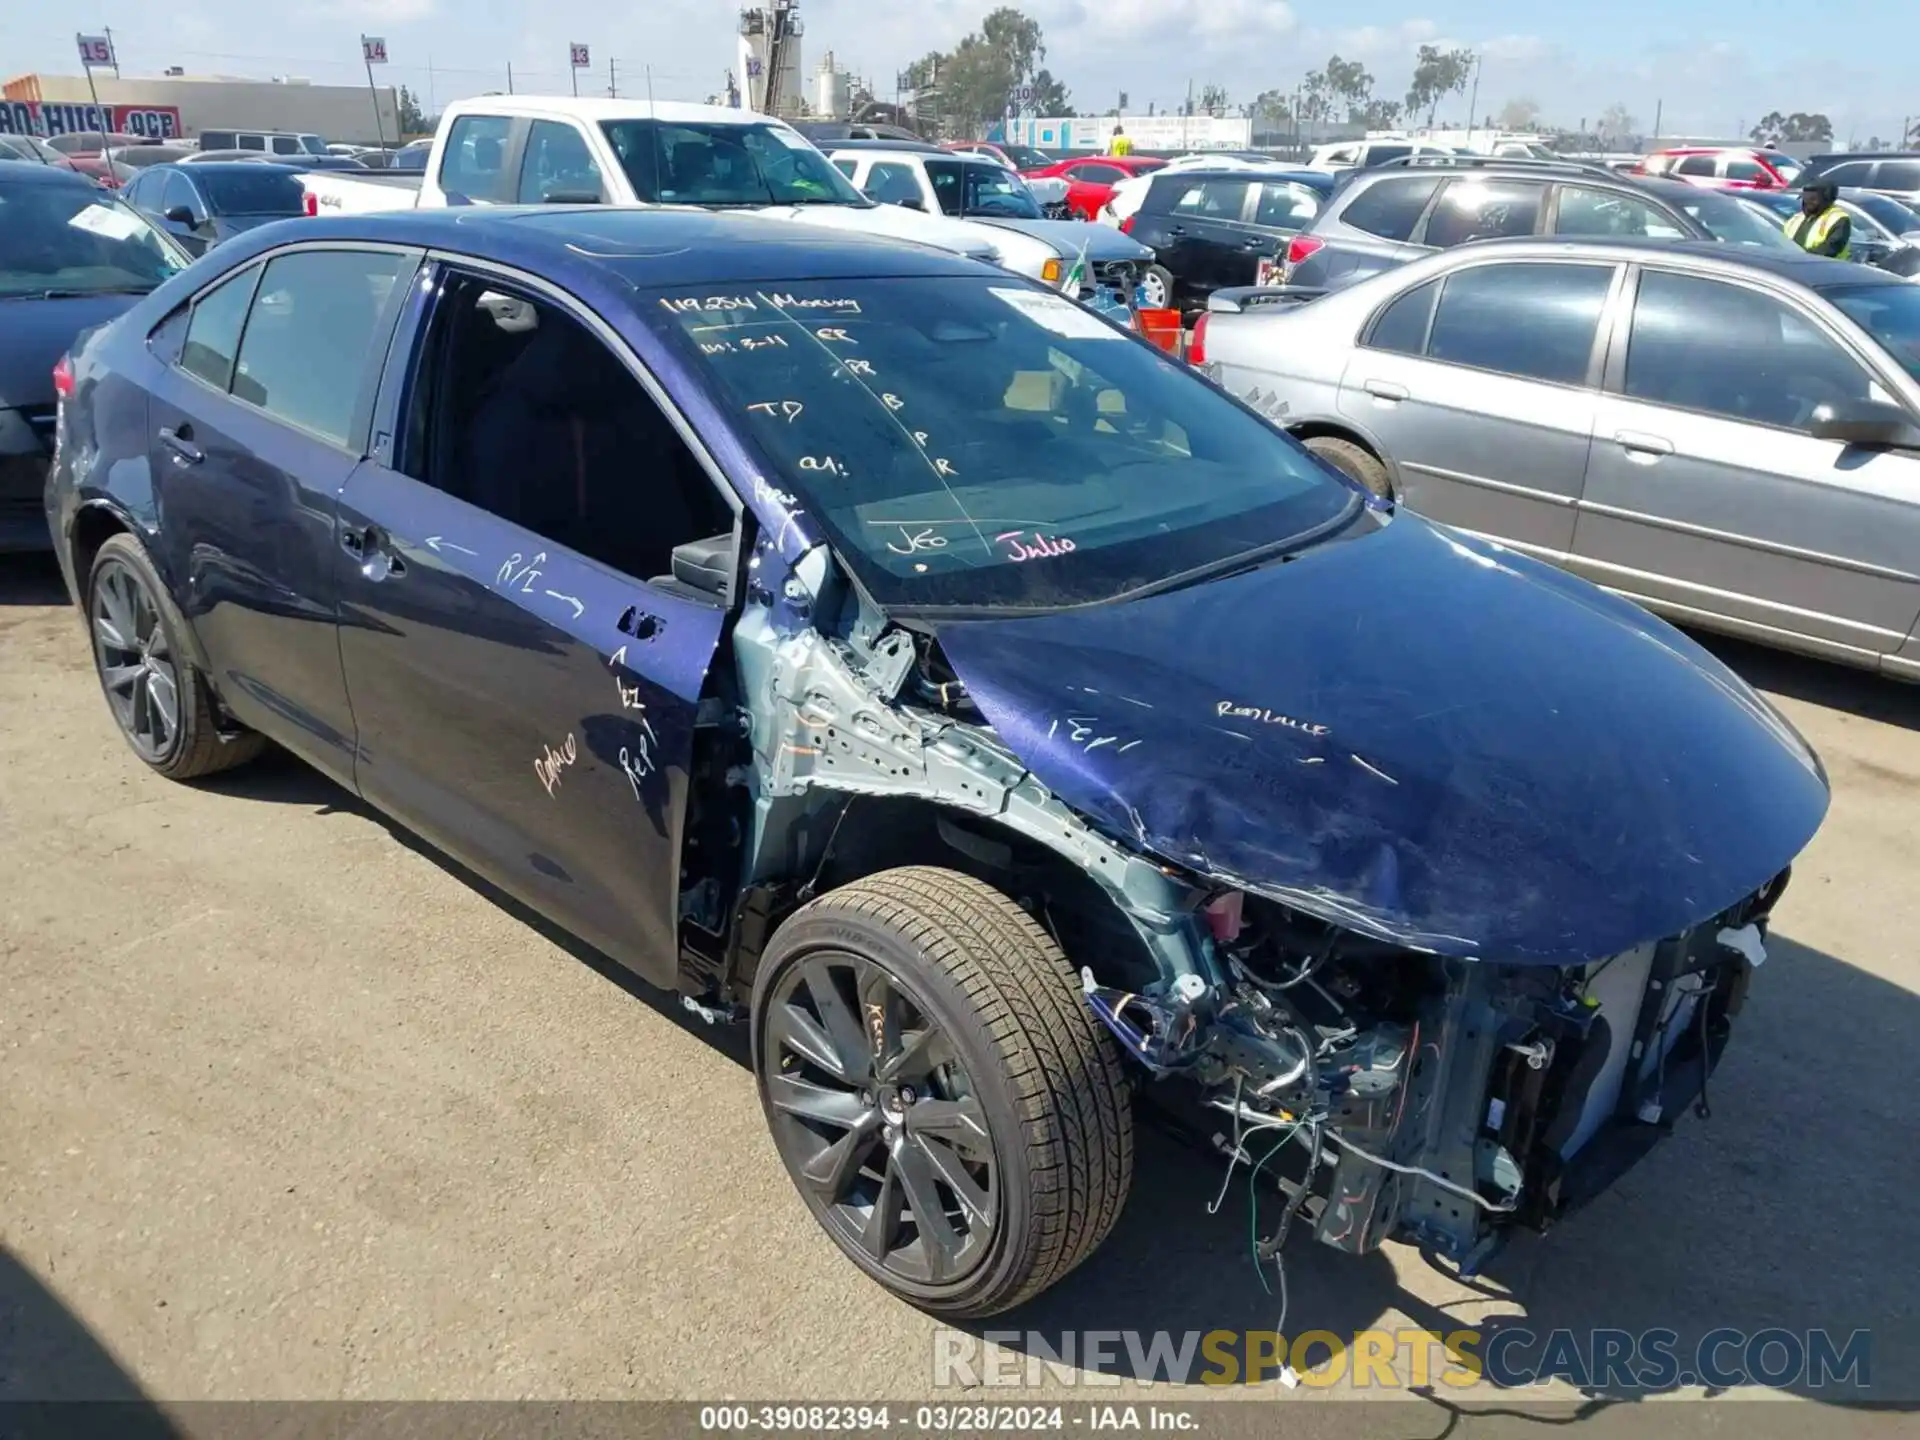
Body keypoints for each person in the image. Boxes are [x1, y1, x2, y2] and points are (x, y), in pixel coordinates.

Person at [1784, 178, 1851, 259]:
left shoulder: (1838, 219)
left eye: (1813, 199)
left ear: (1827, 199)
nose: (1808, 202)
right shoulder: (1795, 219)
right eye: (1805, 198)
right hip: (1792, 266)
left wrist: (1801, 257)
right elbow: (1779, 243)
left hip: (1825, 268)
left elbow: (1830, 249)